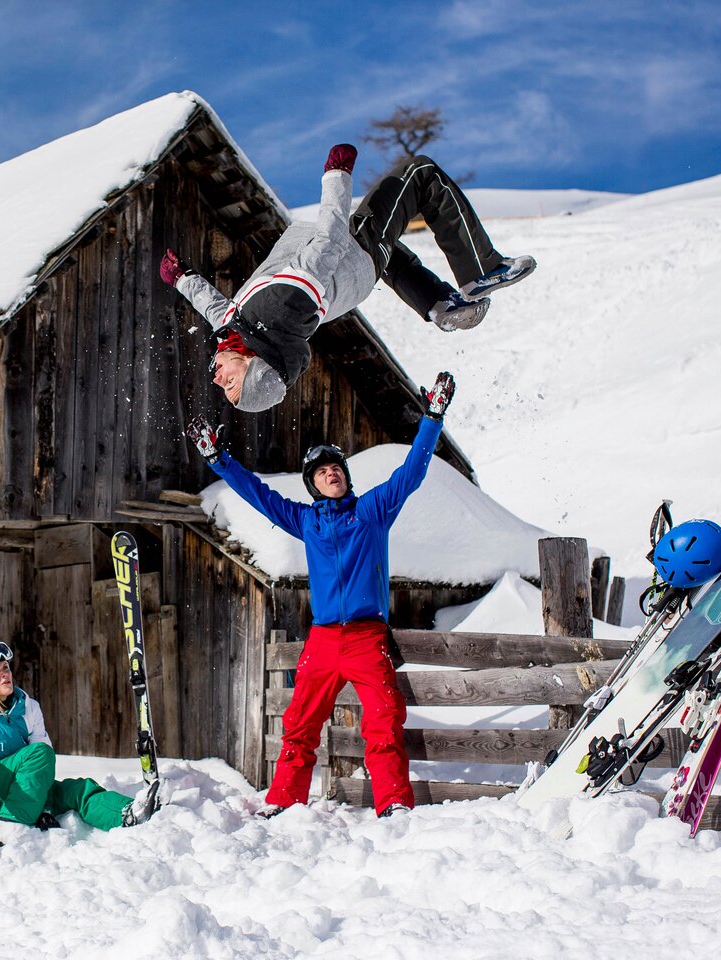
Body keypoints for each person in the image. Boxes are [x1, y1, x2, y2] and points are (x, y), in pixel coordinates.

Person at [185, 372, 457, 817]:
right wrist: (219, 459)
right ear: (313, 485)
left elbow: (411, 473)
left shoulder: (371, 511)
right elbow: (259, 495)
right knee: (298, 726)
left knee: (384, 723)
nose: (332, 474)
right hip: (324, 640)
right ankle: (284, 802)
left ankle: (393, 806)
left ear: (345, 478)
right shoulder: (306, 521)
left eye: (337, 469)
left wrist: (432, 417)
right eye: (322, 472)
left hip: (368, 638)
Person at [160, 144, 534, 412]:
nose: (215, 377)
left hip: (354, 268)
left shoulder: (240, 331)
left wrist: (181, 279)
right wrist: (336, 176)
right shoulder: (285, 308)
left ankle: (441, 305)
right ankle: (481, 271)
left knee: (389, 251)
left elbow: (215, 308)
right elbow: (329, 241)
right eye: (229, 382)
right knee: (420, 175)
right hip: (353, 254)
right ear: (255, 366)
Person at [0, 642, 161, 844]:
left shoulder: (28, 707)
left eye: (6, 668)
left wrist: (41, 807)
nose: (5, 674)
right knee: (39, 753)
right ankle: (10, 825)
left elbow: (39, 769)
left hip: (23, 792)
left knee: (77, 789)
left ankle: (127, 814)